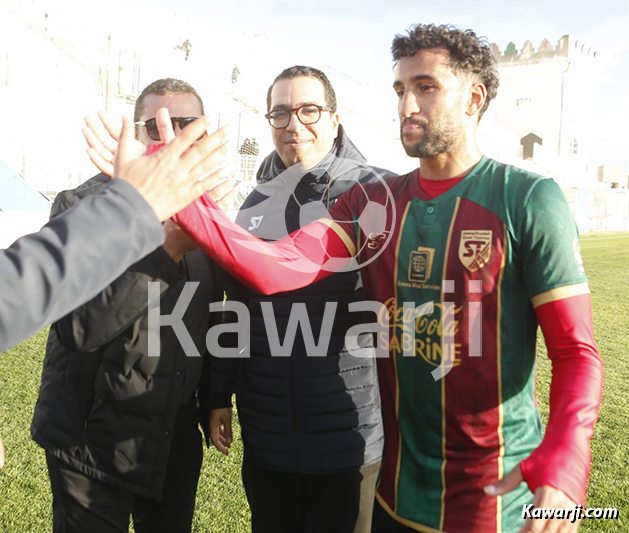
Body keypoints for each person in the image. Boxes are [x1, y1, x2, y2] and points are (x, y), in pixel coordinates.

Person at [165, 24, 603, 533]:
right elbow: (275, 266)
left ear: (474, 98)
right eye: (400, 90)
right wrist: (181, 194)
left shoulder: (528, 198)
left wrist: (565, 464)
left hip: (497, 503)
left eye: (426, 87)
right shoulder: (375, 201)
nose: (407, 105)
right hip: (396, 497)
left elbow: (576, 352)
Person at [30, 78, 226, 533]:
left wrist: (216, 399)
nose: (171, 137)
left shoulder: (207, 214)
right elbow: (81, 325)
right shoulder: (81, 206)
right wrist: (166, 248)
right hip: (89, 437)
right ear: (135, 138)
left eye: (185, 124)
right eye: (155, 127)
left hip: (170, 436)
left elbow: (211, 317)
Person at [209, 65, 385, 533]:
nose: (293, 125)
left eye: (308, 110)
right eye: (281, 113)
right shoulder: (253, 205)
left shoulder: (377, 195)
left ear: (334, 117)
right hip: (268, 434)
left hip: (350, 434)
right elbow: (236, 310)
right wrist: (217, 393)